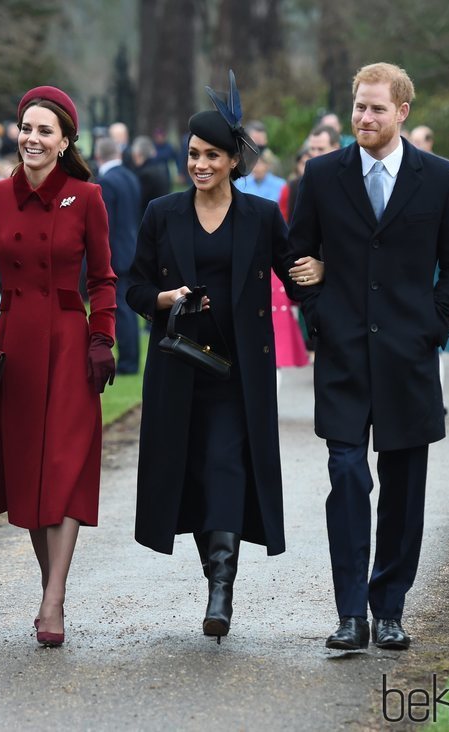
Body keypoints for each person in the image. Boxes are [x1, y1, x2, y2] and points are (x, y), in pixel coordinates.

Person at [288, 63, 449, 651]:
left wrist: (431, 324)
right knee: (346, 475)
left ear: (402, 112)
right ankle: (350, 613)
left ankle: (389, 606)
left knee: (403, 486)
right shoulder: (322, 176)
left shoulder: (441, 179)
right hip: (343, 357)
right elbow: (297, 259)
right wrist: (317, 313)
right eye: (358, 107)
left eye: (377, 108)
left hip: (408, 359)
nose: (364, 118)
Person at [126, 71, 319, 643]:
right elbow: (134, 285)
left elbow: (295, 272)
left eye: (212, 154)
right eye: (193, 154)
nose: (200, 164)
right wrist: (163, 298)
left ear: (235, 160)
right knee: (190, 478)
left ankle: (221, 592)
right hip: (178, 369)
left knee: (228, 469)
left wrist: (324, 276)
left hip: (239, 375)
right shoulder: (162, 214)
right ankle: (214, 568)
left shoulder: (260, 217)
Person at [0, 85, 117, 647]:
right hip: (17, 345)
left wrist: (104, 339)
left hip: (71, 346)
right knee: (28, 471)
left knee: (65, 465)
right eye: (27, 128)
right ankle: (53, 588)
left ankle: (53, 601)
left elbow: (102, 279)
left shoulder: (87, 197)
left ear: (65, 140)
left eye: (45, 130)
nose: (33, 138)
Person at [95, 136, 141, 374]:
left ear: (98, 156)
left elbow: (104, 224)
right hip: (131, 248)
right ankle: (130, 359)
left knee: (120, 308)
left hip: (115, 252)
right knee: (126, 307)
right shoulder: (130, 177)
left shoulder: (106, 182)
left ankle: (128, 362)